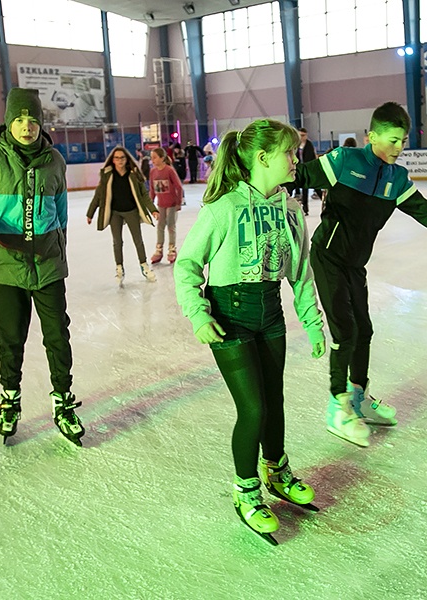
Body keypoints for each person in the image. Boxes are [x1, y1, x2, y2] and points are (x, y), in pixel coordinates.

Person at [293, 101, 427, 448]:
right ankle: (337, 405)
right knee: (345, 331)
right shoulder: (345, 162)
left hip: (356, 264)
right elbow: (295, 175)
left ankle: (358, 396)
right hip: (328, 257)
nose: (398, 148)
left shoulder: (397, 178)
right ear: (370, 136)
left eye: (403, 140)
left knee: (365, 330)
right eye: (391, 140)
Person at [173, 119, 326, 545]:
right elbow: (187, 266)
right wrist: (199, 316)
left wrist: (312, 322)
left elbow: (300, 273)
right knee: (254, 409)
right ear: (262, 158)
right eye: (288, 154)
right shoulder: (223, 209)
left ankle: (276, 470)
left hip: (271, 315)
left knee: (274, 401)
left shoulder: (291, 210)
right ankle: (246, 491)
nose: (295, 160)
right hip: (230, 318)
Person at [0, 88, 85, 446]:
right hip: (7, 267)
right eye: (20, 119)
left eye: (33, 119)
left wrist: (60, 251)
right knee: (11, 339)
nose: (27, 127)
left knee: (58, 337)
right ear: (9, 122)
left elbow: (62, 214)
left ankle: (63, 403)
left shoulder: (54, 160)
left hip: (49, 266)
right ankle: (10, 400)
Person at [87, 146, 159, 284]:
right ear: (113, 160)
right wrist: (91, 212)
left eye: (122, 157)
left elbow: (144, 194)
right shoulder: (108, 175)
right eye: (117, 158)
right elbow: (99, 195)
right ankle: (119, 268)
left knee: (138, 240)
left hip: (131, 211)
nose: (119, 160)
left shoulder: (133, 174)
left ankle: (144, 266)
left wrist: (153, 209)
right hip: (115, 213)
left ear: (126, 159)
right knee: (117, 242)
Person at [147, 147, 183, 264]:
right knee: (160, 226)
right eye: (151, 158)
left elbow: (179, 187)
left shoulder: (169, 170)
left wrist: (178, 202)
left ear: (162, 158)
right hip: (161, 204)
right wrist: (150, 204)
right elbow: (152, 189)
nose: (153, 160)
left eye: (155, 158)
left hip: (172, 204)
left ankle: (172, 249)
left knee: (171, 226)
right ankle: (159, 250)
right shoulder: (153, 171)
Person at [295, 128, 317, 215]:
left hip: (308, 170)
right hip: (298, 169)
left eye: (303, 135)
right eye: (300, 135)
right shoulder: (296, 145)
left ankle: (305, 208)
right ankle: (302, 206)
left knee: (306, 189)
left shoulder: (309, 145)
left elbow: (312, 158)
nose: (301, 137)